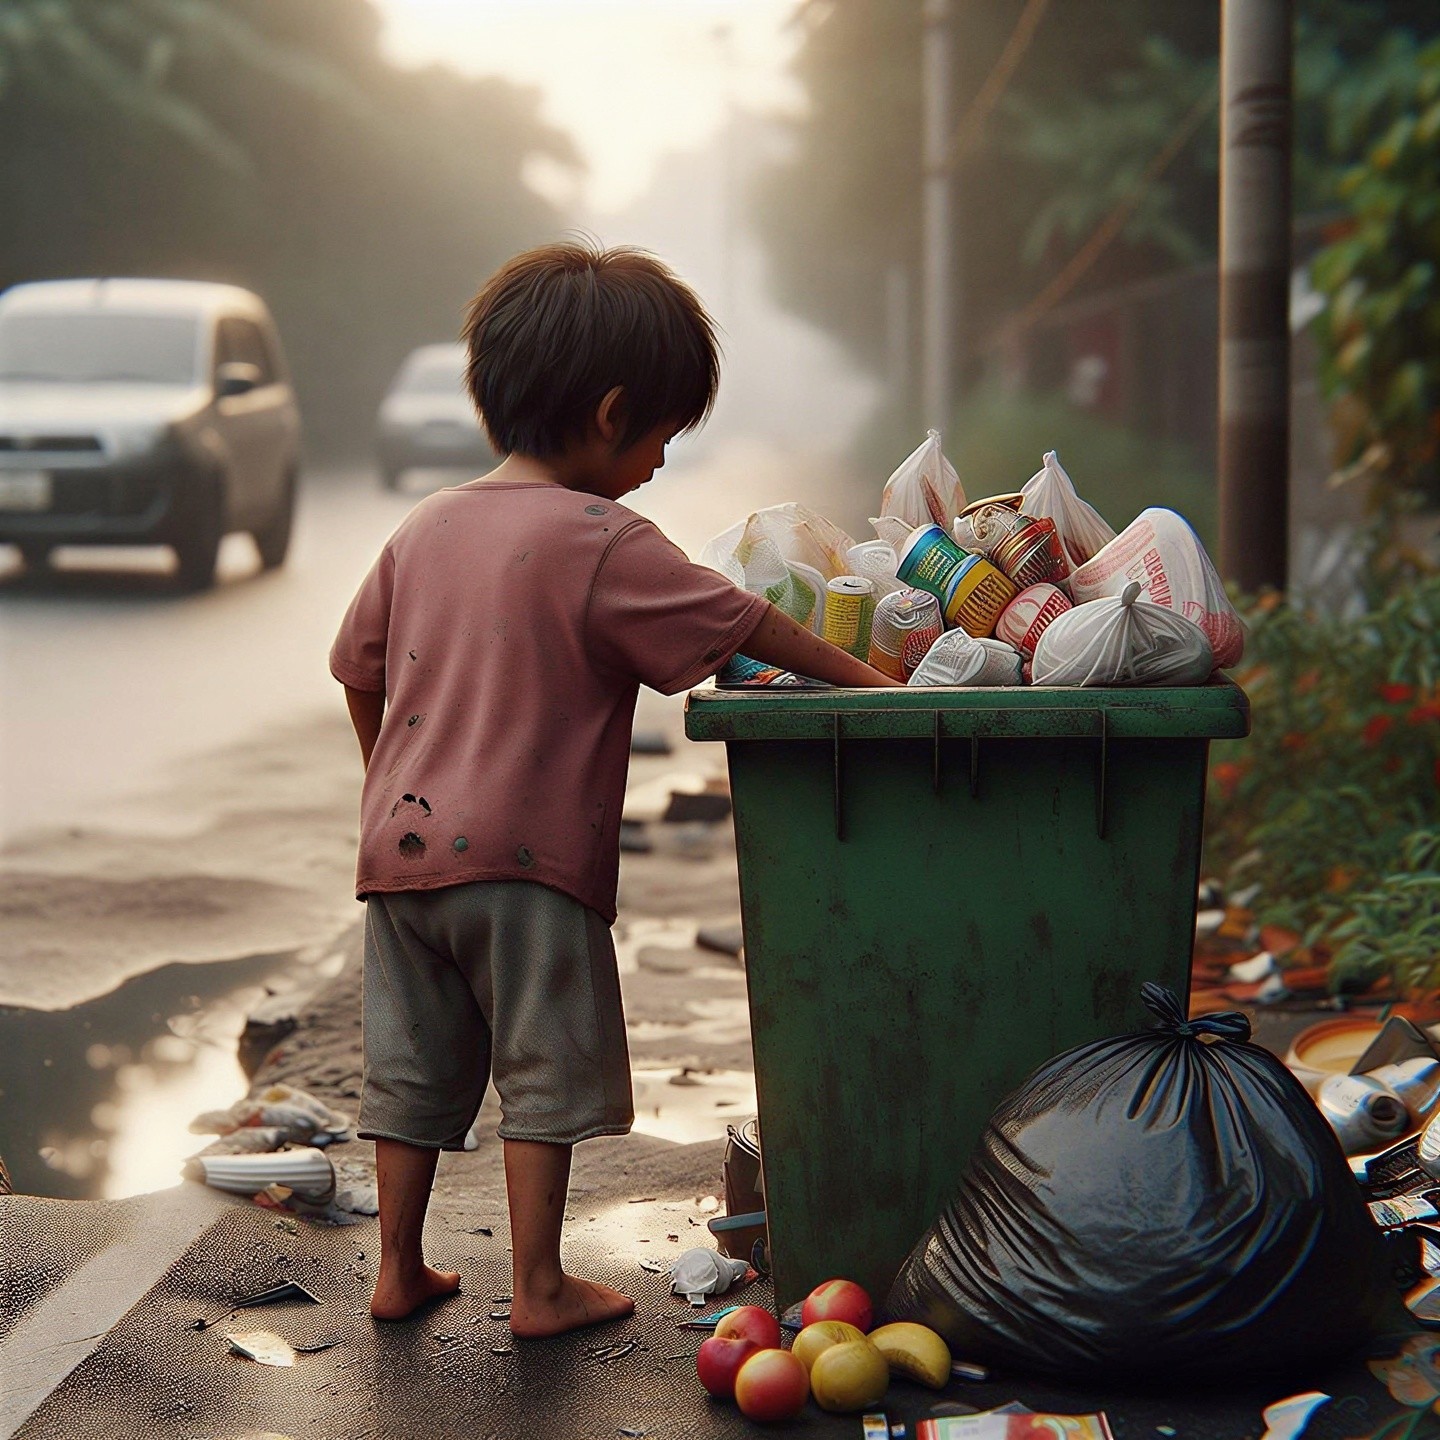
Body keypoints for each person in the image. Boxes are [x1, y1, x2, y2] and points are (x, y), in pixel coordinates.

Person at [330, 241, 899, 1339]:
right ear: (609, 413)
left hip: (400, 857)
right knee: (540, 1070)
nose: (657, 465)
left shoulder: (425, 525)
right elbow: (749, 626)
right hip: (532, 867)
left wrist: (390, 791)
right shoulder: (603, 539)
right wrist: (883, 686)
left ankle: (397, 1270)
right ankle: (538, 1287)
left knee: (410, 1070)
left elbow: (355, 669)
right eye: (661, 438)